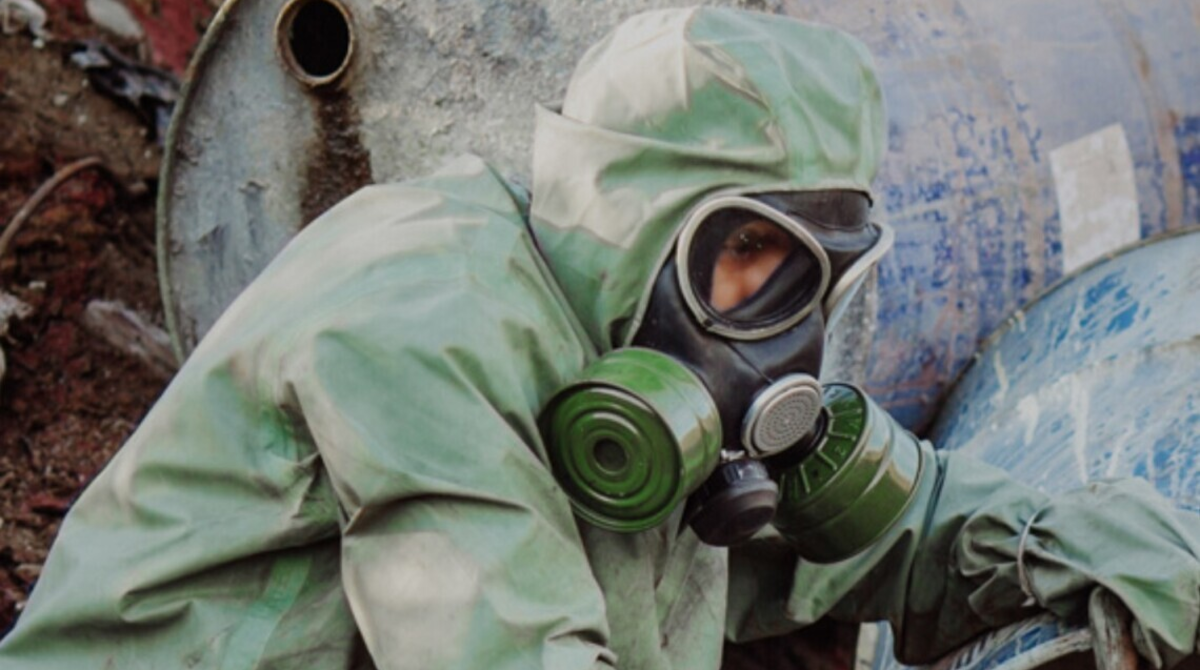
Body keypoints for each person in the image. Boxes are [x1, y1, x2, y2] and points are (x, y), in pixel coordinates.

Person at [2, 7, 1199, 669]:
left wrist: (1091, 551)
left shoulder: (636, 349)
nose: (780, 333)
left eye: (812, 278)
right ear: (638, 218)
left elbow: (904, 530)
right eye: (748, 252)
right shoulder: (419, 318)